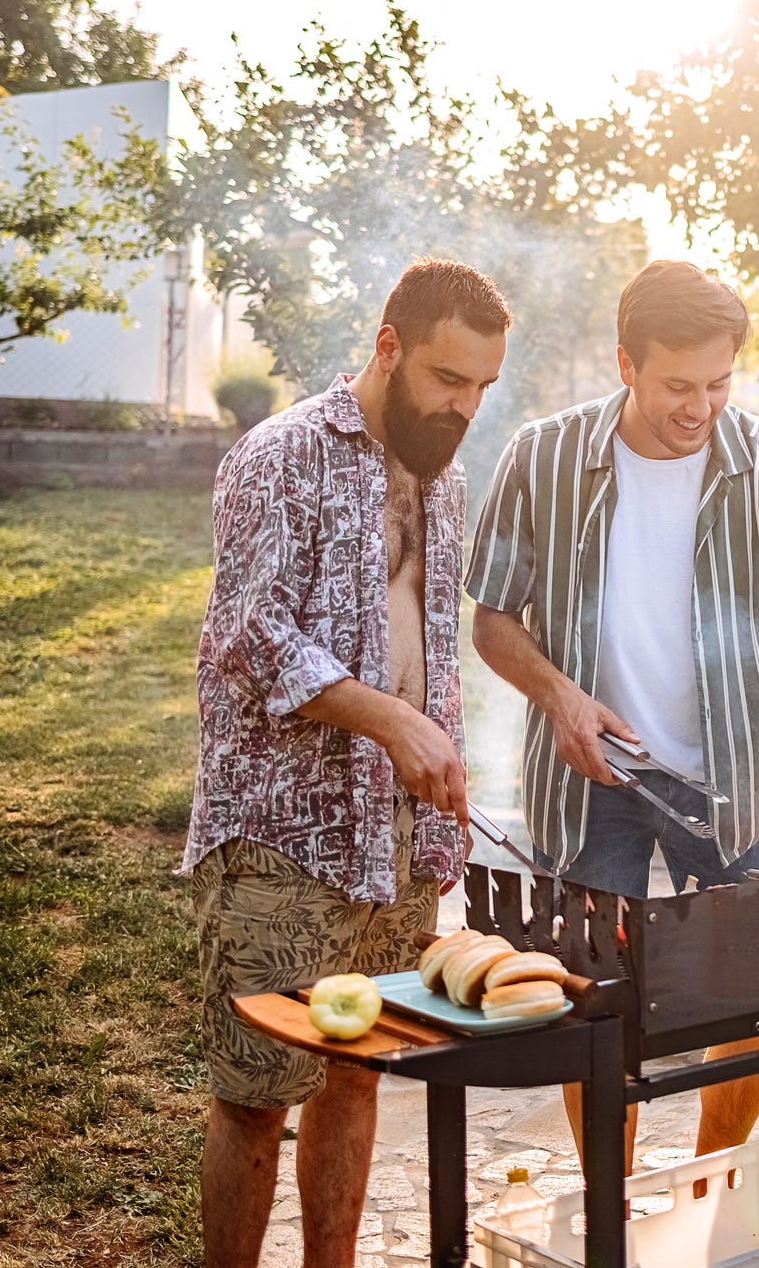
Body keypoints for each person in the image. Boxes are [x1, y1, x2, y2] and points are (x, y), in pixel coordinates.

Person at [467, 258, 759, 1164]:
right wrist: (558, 697)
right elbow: (490, 620)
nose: (700, 406)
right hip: (587, 777)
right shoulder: (544, 457)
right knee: (593, 998)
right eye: (678, 385)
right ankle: (612, 1197)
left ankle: (706, 1178)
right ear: (625, 363)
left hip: (720, 778)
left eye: (719, 383)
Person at [181, 259, 511, 1268]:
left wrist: (442, 812)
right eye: (449, 379)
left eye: (481, 389)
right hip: (282, 838)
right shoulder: (276, 457)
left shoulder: (444, 477)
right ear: (387, 345)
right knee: (254, 1099)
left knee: (358, 1073)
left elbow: (434, 650)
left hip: (396, 842)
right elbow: (250, 633)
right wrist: (389, 724)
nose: (462, 407)